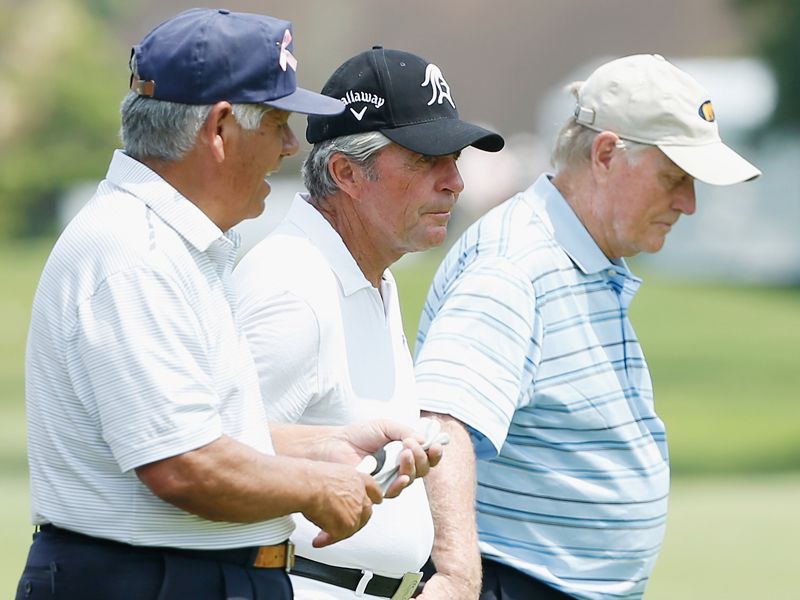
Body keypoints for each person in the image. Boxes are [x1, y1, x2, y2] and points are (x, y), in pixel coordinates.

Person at [17, 11, 437, 600]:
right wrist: (315, 487)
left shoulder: (170, 246)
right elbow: (181, 465)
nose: (292, 147)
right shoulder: (137, 254)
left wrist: (321, 447)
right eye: (277, 123)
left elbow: (199, 432)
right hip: (149, 581)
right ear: (219, 130)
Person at [413, 53, 761, 600]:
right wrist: (455, 577)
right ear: (605, 155)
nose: (688, 203)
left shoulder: (578, 253)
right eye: (674, 178)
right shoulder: (515, 263)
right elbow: (442, 423)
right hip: (514, 583)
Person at [232, 46, 504, 600]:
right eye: (427, 159)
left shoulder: (369, 272)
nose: (455, 181)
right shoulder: (292, 288)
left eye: (455, 158)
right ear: (346, 173)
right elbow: (218, 469)